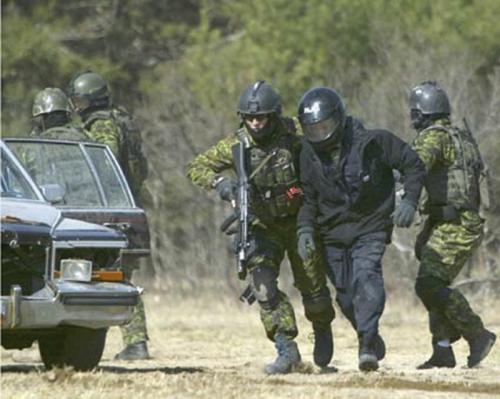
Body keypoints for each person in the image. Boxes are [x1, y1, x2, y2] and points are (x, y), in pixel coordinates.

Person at [187, 80, 336, 374]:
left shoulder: (293, 134)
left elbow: (325, 149)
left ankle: (321, 327)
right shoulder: (236, 144)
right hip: (260, 225)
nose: (255, 123)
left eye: (261, 117)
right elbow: (196, 166)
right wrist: (222, 184)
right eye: (250, 117)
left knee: (313, 286)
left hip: (298, 219)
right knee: (263, 286)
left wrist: (304, 192)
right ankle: (286, 348)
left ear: (274, 115)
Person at [296, 87, 426, 372]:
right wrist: (304, 229)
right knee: (345, 295)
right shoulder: (306, 154)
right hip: (330, 233)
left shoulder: (374, 142)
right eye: (313, 130)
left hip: (370, 225)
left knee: (366, 276)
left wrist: (409, 200)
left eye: (325, 128)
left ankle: (366, 344)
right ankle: (369, 334)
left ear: (339, 119)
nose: (320, 135)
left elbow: (413, 165)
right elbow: (306, 196)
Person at [408, 80, 496, 369]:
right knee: (434, 282)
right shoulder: (461, 137)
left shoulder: (433, 137)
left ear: (423, 112)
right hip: (456, 221)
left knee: (429, 284)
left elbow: (415, 168)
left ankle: (476, 333)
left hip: (455, 224)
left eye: (415, 111)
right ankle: (443, 349)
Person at [67, 70, 151, 361]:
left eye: (78, 100)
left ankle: (135, 341)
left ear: (88, 100)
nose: (76, 106)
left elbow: (105, 158)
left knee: (115, 273)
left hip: (112, 209)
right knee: (120, 272)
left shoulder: (102, 124)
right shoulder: (122, 119)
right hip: (129, 205)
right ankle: (135, 340)